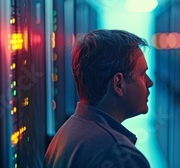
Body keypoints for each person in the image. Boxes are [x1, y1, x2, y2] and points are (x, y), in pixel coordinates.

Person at [44, 29, 153, 168]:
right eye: (143, 74)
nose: (150, 82)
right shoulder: (119, 156)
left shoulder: (65, 134)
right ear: (118, 84)